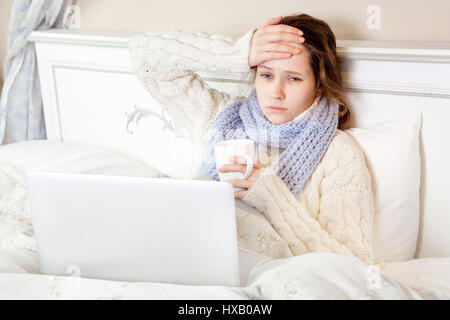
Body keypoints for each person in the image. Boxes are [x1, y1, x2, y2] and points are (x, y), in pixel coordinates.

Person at [129, 13, 374, 265]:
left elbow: (354, 264)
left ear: (319, 85)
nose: (276, 93)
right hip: (191, 262)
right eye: (266, 75)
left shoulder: (338, 154)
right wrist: (239, 53)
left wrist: (272, 197)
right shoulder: (219, 116)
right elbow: (144, 53)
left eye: (294, 78)